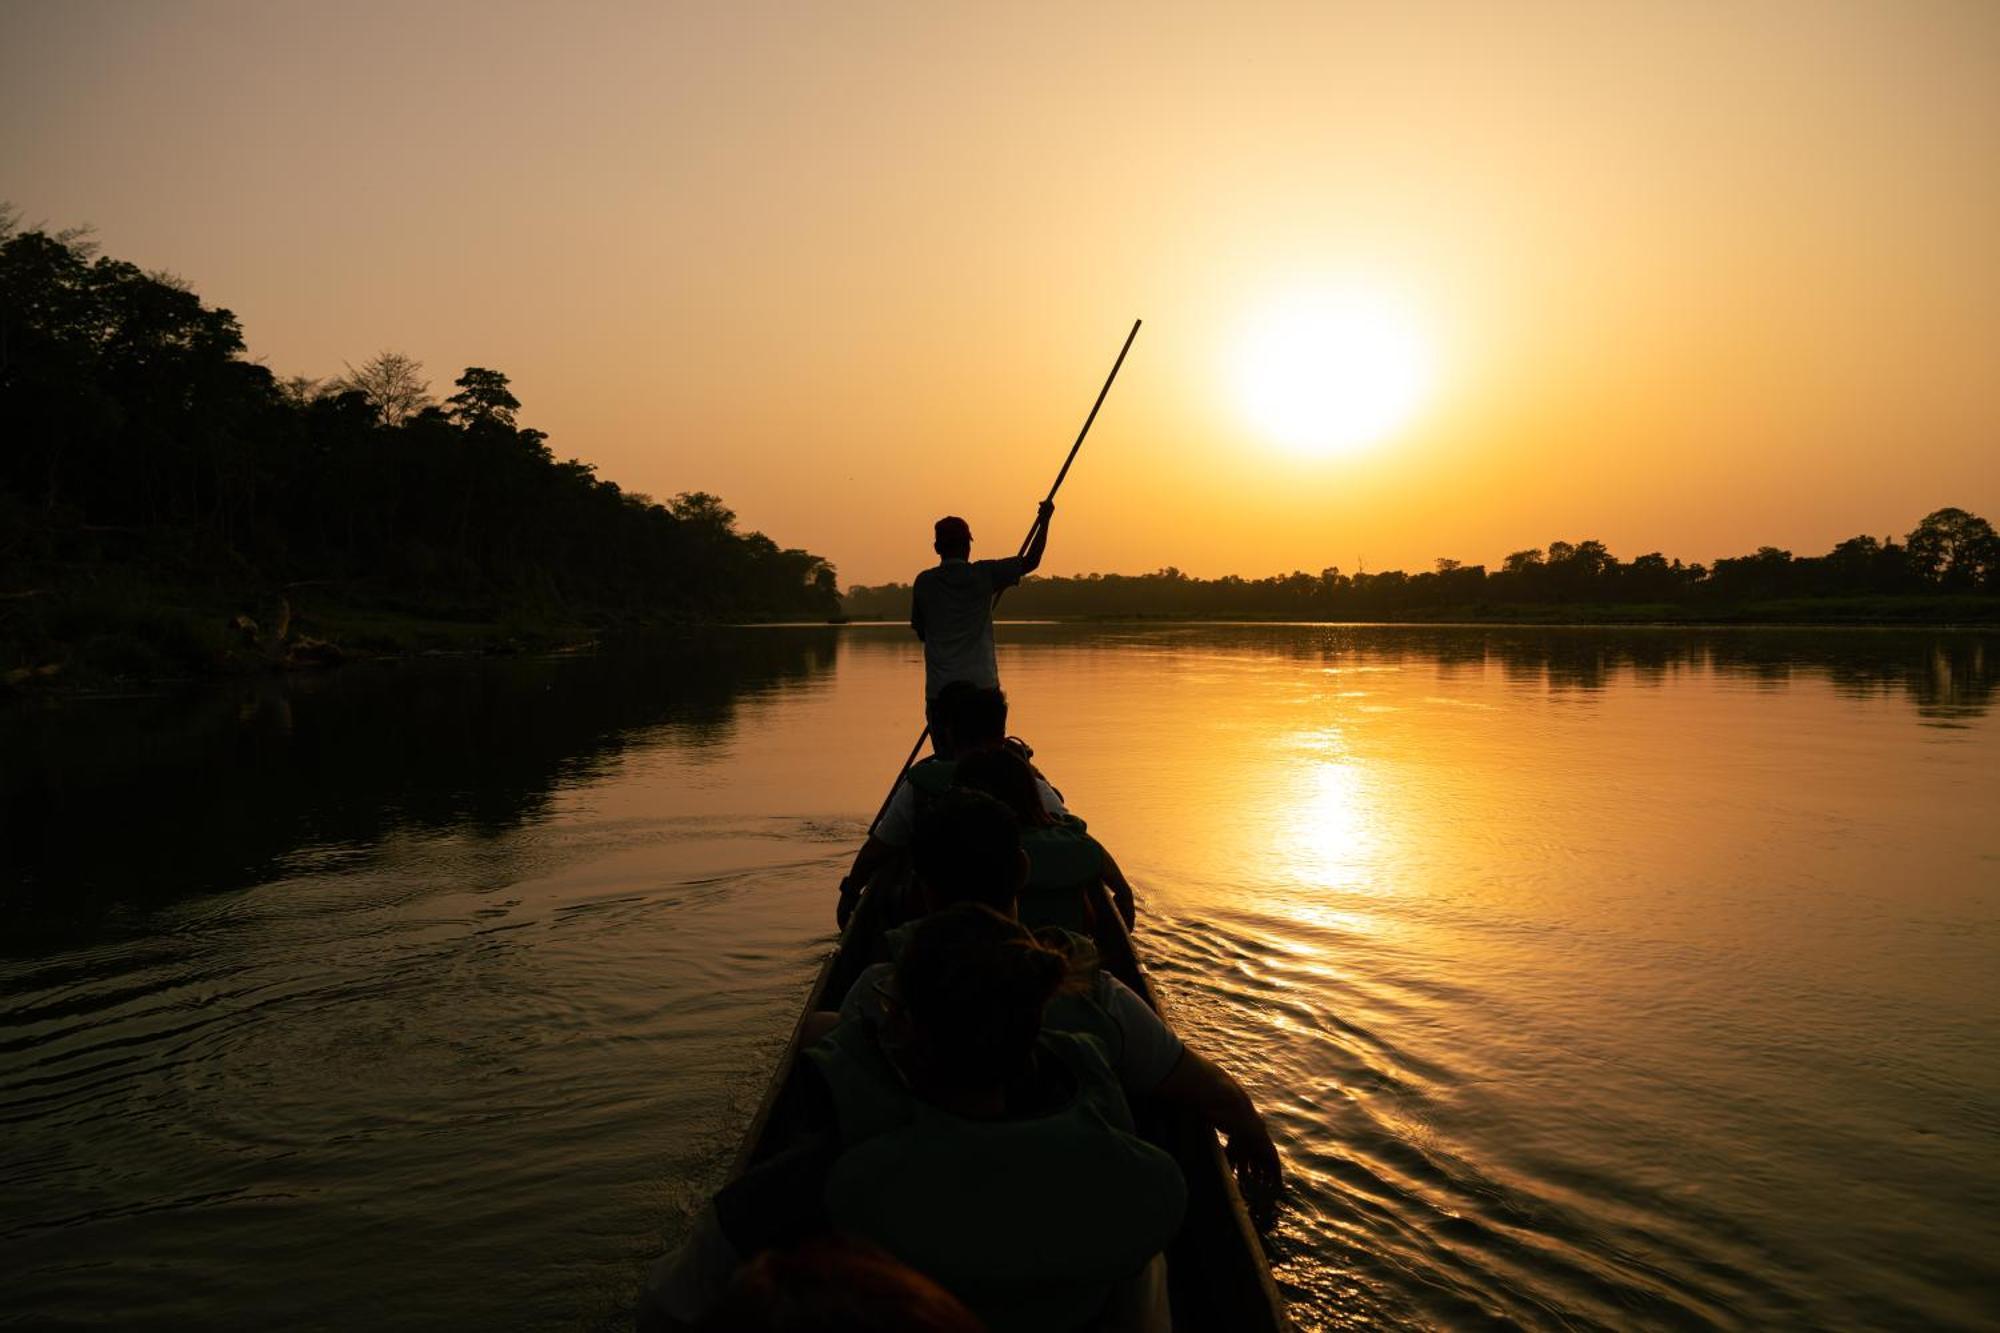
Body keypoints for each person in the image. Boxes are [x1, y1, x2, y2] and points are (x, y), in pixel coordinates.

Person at [639, 904, 1185, 1333]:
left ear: (902, 1032)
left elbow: (666, 1312)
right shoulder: (1126, 1185)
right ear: (1031, 1035)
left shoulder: (803, 1191)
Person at [832, 789, 1284, 1197]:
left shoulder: (875, 995)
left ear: (918, 888)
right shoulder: (1099, 995)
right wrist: (1252, 1133)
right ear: (1023, 870)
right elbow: (1221, 1096)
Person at [837, 684, 1065, 927]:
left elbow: (878, 850)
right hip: (1036, 922)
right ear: (1002, 734)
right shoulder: (1037, 790)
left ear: (949, 734)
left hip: (937, 925)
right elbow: (1077, 842)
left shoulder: (918, 788)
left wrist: (850, 892)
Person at [952, 746, 1136, 931]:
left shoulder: (972, 852)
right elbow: (1122, 891)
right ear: (1033, 795)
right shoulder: (1077, 843)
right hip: (1071, 950)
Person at [911, 503, 1054, 718]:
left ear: (937, 548)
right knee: (988, 750)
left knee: (949, 751)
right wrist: (1045, 521)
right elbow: (1031, 561)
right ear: (967, 547)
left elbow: (921, 632)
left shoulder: (924, 582)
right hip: (983, 690)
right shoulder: (985, 574)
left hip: (941, 695)